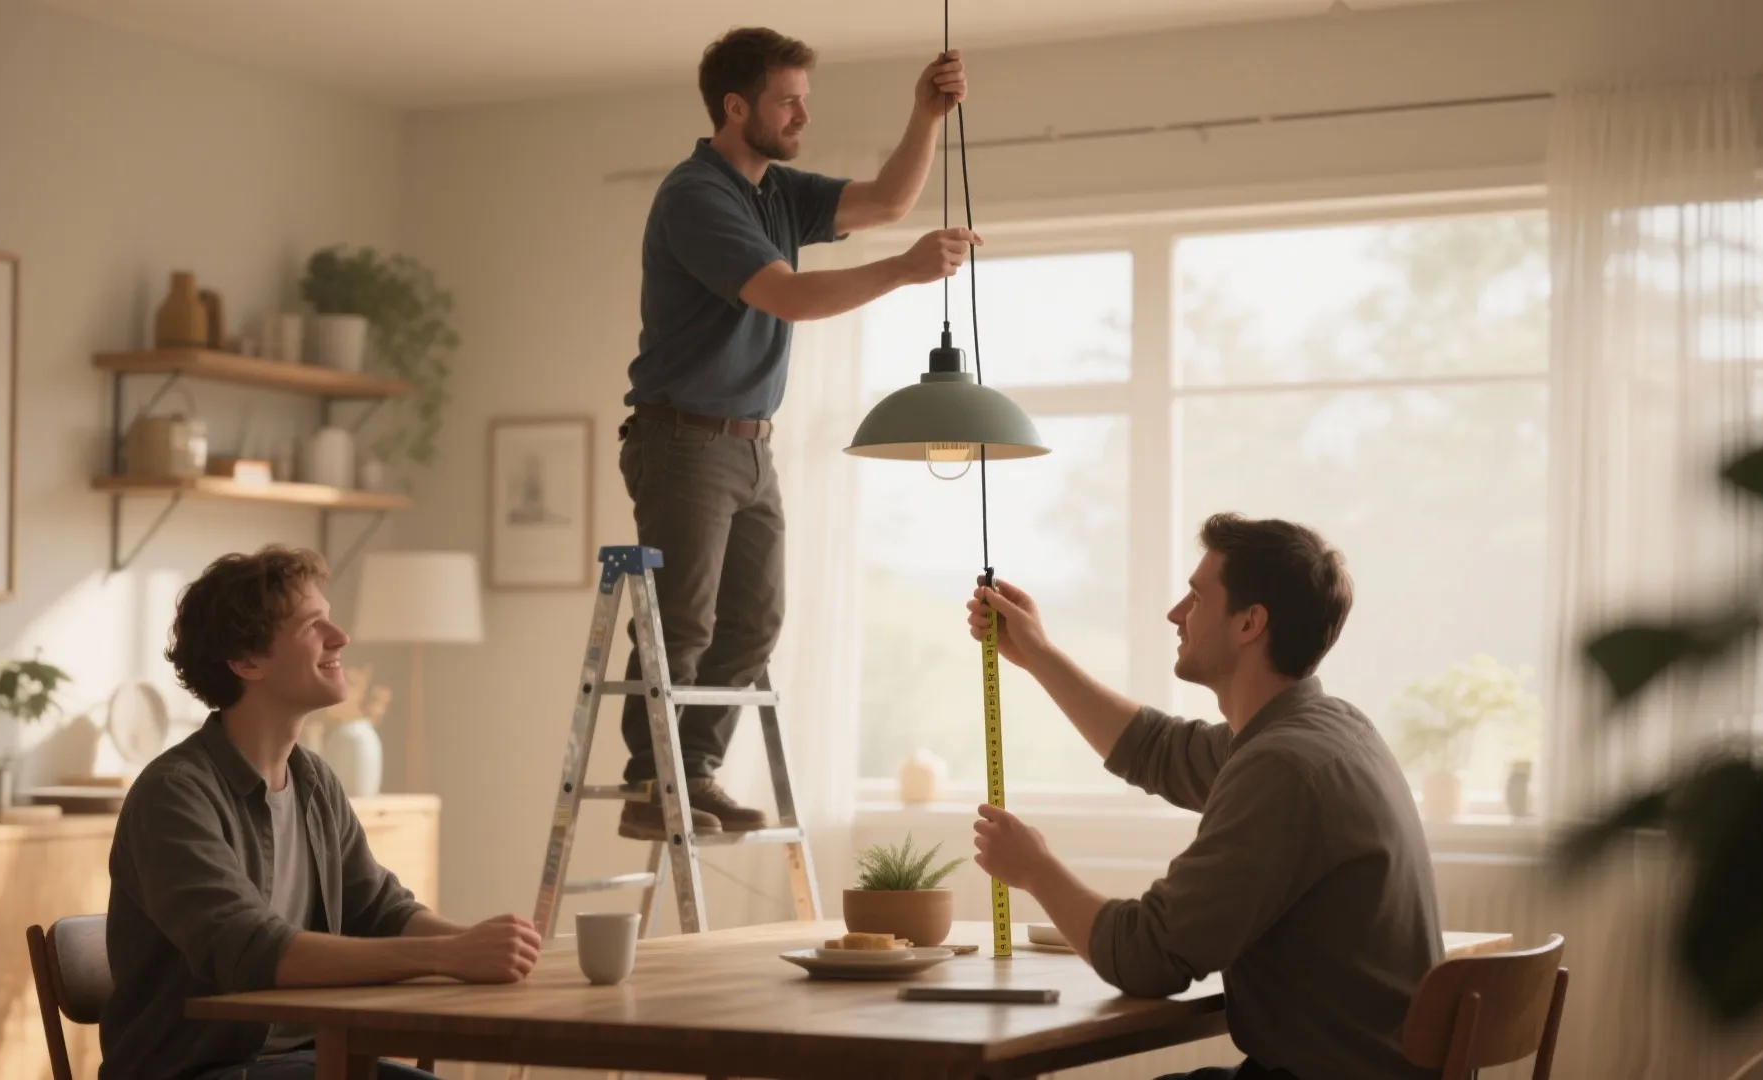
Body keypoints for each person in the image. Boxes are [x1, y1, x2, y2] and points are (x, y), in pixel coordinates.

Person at [615, 26, 983, 840]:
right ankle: (651, 785)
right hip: (683, 442)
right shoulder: (696, 196)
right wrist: (903, 269)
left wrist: (925, 115)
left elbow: (887, 202)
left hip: (750, 444)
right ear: (735, 107)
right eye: (788, 102)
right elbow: (788, 297)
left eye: (803, 102)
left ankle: (692, 773)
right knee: (684, 621)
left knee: (754, 622)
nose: (802, 116)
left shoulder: (776, 192)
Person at [966, 514, 1444, 1080]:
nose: (1176, 614)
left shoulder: (1283, 768)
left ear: (1250, 623)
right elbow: (1157, 750)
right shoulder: (1325, 729)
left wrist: (1035, 868)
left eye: (1195, 597)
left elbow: (1148, 957)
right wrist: (1038, 653)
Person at [100, 546, 545, 1080]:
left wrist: (485, 949)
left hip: (314, 1060)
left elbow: (380, 911)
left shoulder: (313, 780)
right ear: (246, 661)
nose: (341, 637)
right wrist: (450, 956)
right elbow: (253, 952)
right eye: (313, 626)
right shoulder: (174, 795)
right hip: (200, 1072)